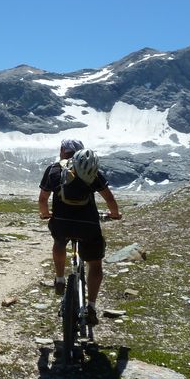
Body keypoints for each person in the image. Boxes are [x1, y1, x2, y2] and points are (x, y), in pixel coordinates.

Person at [38, 139, 121, 325]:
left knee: (59, 242)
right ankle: (91, 306)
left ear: (62, 150)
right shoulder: (90, 170)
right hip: (88, 225)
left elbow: (43, 199)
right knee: (95, 264)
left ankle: (60, 278)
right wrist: (115, 214)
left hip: (61, 223)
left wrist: (45, 215)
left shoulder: (53, 170)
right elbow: (109, 198)